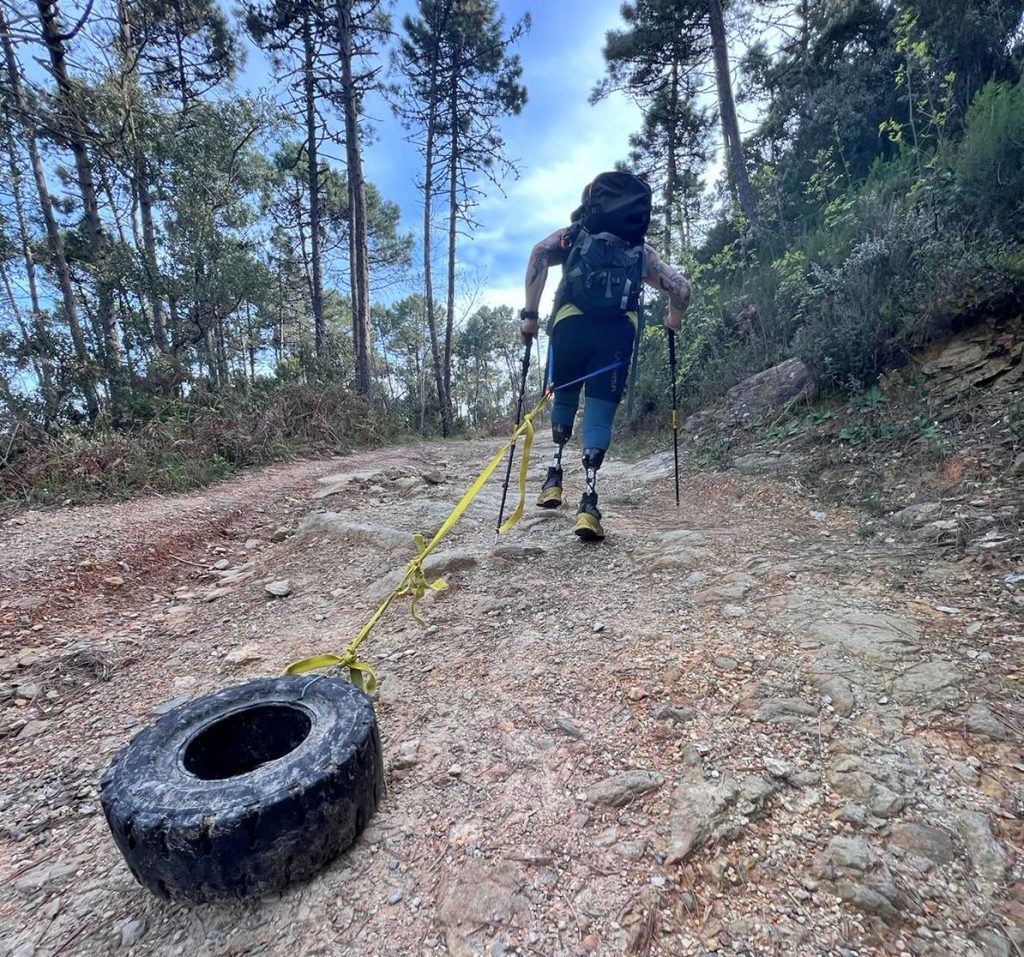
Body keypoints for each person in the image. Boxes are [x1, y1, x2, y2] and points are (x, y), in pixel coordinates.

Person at [519, 174, 691, 542]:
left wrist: (530, 317)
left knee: (565, 394)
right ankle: (589, 504)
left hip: (570, 323)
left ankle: (554, 476)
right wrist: (672, 321)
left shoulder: (574, 236)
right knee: (599, 409)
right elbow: (681, 288)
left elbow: (538, 253)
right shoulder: (641, 253)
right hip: (616, 333)